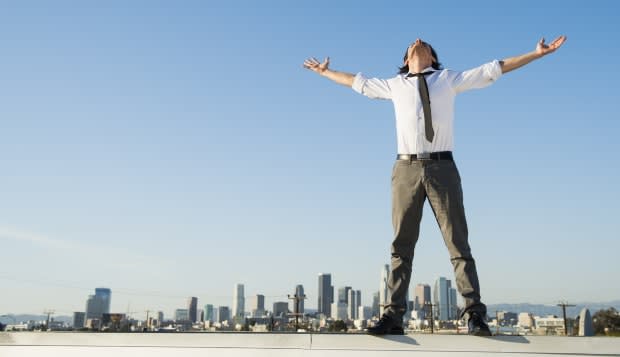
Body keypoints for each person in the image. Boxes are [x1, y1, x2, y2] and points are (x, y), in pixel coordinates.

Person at [303, 35, 566, 336]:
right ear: (406, 60)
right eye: (413, 43)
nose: (417, 40)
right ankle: (393, 317)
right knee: (401, 245)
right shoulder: (394, 85)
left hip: (443, 168)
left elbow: (497, 67)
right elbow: (355, 81)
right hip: (406, 168)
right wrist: (324, 72)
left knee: (458, 243)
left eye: (424, 43)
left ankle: (475, 316)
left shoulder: (448, 79)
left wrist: (536, 55)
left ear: (432, 57)